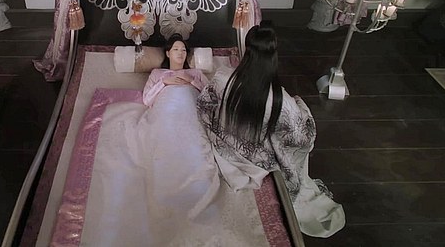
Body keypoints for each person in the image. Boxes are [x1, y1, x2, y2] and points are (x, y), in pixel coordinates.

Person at [197, 22, 346, 238]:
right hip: (258, 157)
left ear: (246, 50)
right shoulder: (281, 100)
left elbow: (204, 105)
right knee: (299, 117)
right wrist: (301, 108)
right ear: (273, 56)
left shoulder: (223, 78)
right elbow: (301, 139)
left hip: (227, 148)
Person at [141, 33, 208, 107]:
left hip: (190, 107)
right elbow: (147, 100)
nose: (180, 53)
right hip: (166, 109)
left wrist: (192, 80)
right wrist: (163, 82)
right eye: (176, 49)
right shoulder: (157, 73)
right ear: (168, 54)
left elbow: (210, 97)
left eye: (183, 50)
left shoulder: (196, 73)